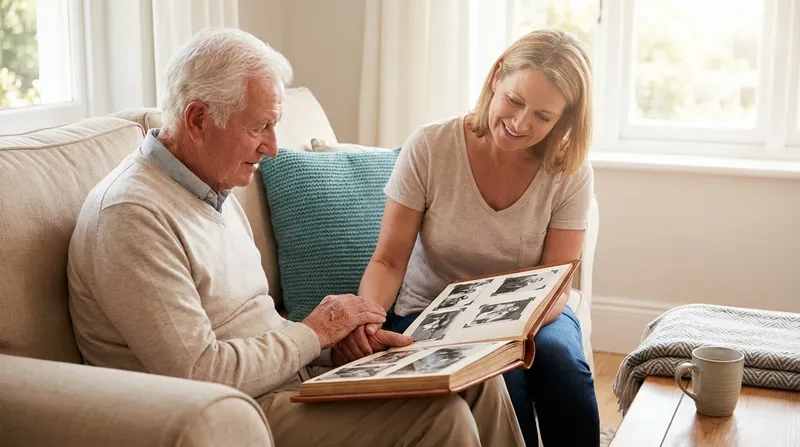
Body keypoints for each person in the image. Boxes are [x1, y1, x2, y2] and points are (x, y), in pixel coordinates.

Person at [66, 28, 524, 447]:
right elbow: (200, 372)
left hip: (285, 381)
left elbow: (256, 325)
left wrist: (333, 348)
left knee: (475, 378)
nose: (273, 146)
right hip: (227, 413)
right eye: (259, 126)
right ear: (198, 119)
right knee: (439, 417)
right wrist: (315, 332)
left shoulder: (211, 189)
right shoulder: (132, 216)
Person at [339, 28, 600, 446]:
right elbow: (388, 261)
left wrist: (508, 330)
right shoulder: (430, 146)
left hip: (532, 313)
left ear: (564, 119)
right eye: (515, 101)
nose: (519, 123)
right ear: (497, 76)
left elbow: (555, 281)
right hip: (430, 311)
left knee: (563, 363)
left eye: (543, 116)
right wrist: (366, 321)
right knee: (500, 383)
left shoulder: (569, 170)